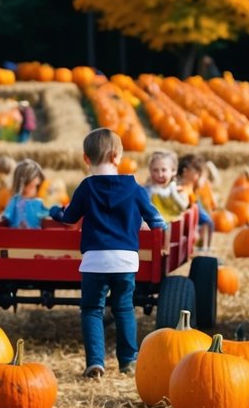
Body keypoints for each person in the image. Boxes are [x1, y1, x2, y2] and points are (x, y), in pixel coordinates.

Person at [49, 128, 167, 378]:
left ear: (86, 158)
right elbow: (155, 219)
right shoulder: (134, 187)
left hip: (95, 261)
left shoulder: (86, 187)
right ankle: (128, 360)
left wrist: (54, 212)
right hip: (125, 260)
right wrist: (159, 228)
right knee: (123, 308)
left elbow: (69, 218)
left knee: (92, 308)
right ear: (117, 157)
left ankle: (96, 362)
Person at [178, 154, 217, 250]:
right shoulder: (184, 184)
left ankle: (205, 245)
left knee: (207, 222)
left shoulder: (191, 183)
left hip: (194, 202)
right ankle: (204, 246)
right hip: (192, 204)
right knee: (207, 222)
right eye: (199, 175)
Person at [0, 160, 52, 228]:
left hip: (36, 236)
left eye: (37, 187)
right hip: (16, 235)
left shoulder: (39, 202)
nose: (35, 190)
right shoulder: (15, 200)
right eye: (33, 186)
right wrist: (2, 217)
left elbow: (47, 214)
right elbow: (6, 215)